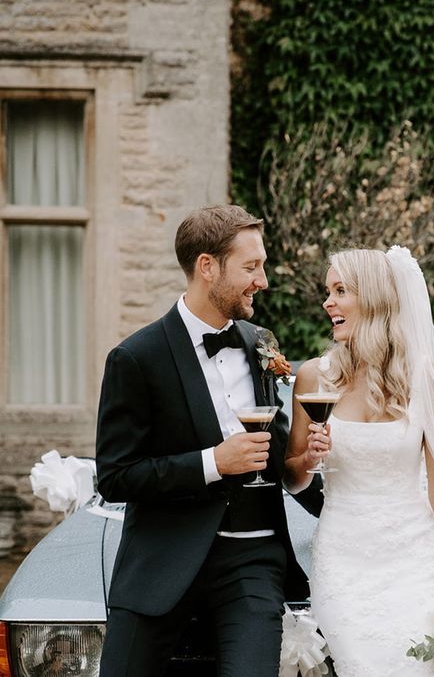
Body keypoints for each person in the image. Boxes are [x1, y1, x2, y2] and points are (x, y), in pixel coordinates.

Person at [95, 204, 322, 677]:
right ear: (207, 267)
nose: (263, 280)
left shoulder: (261, 342)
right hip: (162, 559)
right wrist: (213, 462)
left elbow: (279, 457)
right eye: (251, 267)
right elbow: (116, 476)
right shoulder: (136, 358)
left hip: (253, 561)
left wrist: (336, 490)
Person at [284, 246, 434, 676]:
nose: (327, 302)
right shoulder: (315, 377)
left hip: (414, 560)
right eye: (327, 291)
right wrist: (309, 458)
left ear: (374, 298)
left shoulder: (429, 380)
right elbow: (292, 478)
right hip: (343, 561)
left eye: (340, 290)